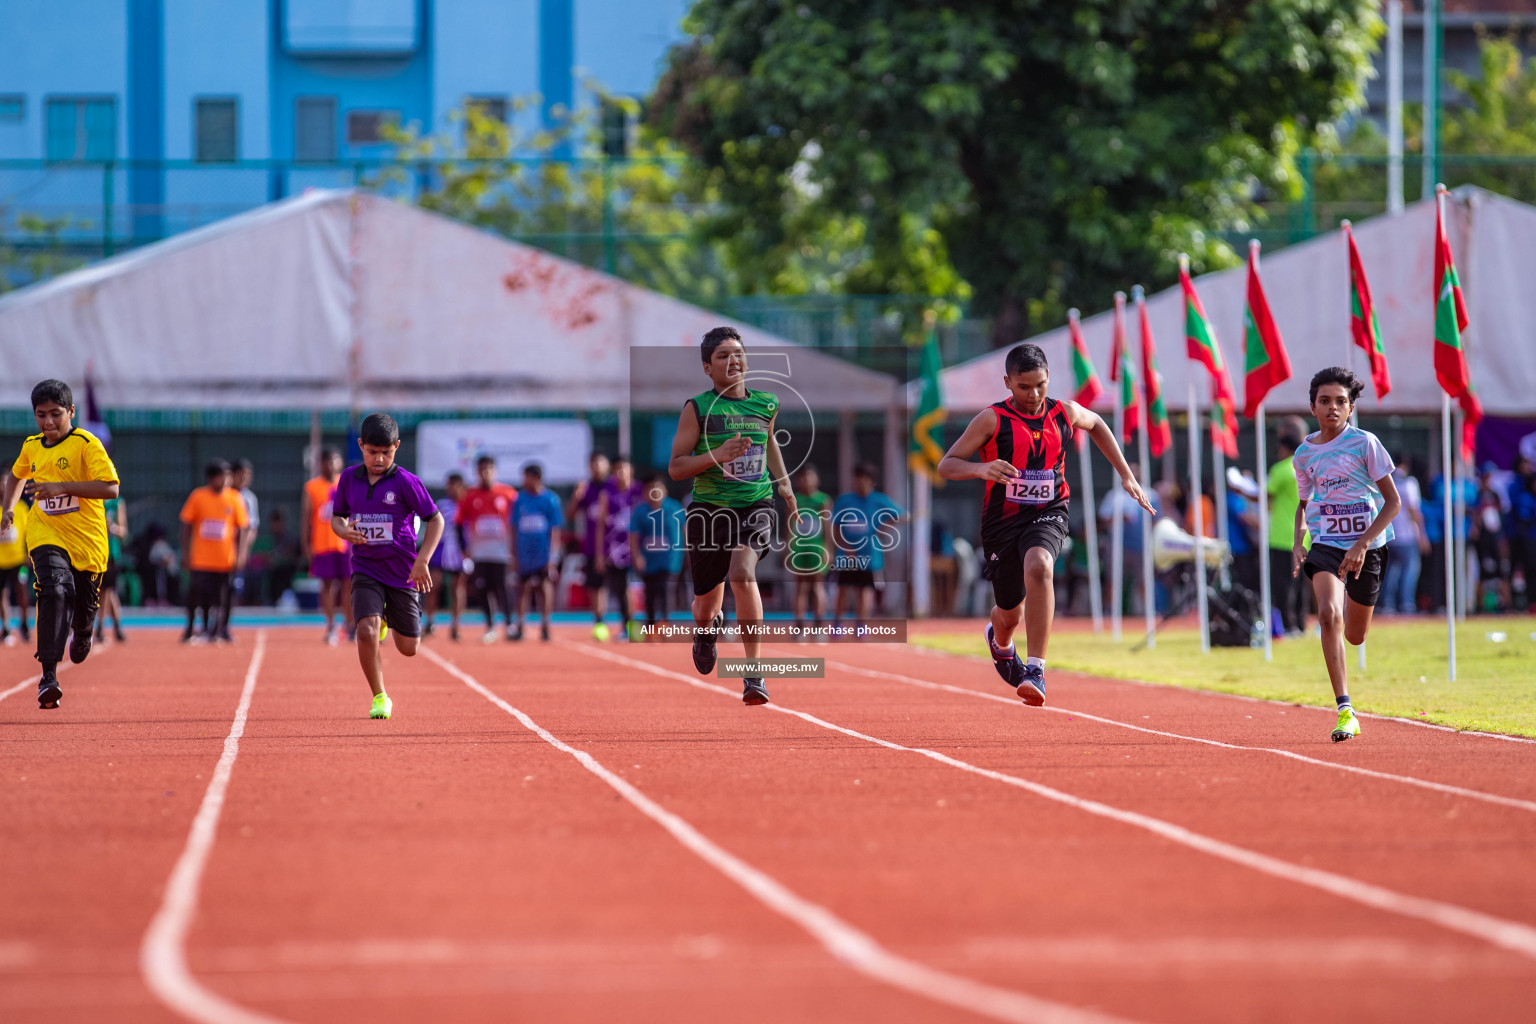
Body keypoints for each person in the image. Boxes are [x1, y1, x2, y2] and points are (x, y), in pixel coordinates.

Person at [936, 343, 1154, 706]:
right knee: (1010, 613)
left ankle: (1036, 669)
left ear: (1049, 377)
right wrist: (980, 468)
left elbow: (1097, 423)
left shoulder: (1063, 412)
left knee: (1040, 566)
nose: (1034, 394)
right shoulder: (992, 420)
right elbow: (948, 464)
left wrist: (1126, 476)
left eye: (1040, 384)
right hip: (1002, 523)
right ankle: (1000, 638)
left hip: (1049, 510)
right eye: (1024, 387)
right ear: (1008, 382)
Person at [669, 325, 796, 705]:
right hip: (709, 511)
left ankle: (754, 673)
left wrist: (784, 482)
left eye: (738, 353)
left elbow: (768, 439)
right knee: (705, 605)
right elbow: (676, 467)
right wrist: (717, 456)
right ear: (708, 367)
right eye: (723, 356)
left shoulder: (766, 403)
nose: (733, 361)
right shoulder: (699, 408)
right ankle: (706, 631)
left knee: (743, 572)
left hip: (756, 503)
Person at [1290, 367, 1401, 743]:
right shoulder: (1304, 454)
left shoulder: (1365, 443)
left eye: (1340, 402)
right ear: (1312, 406)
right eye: (1325, 401)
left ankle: (1347, 699)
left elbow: (1393, 502)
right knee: (1327, 614)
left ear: (1350, 408)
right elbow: (1303, 504)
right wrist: (1297, 543)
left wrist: (1362, 544)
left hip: (1367, 546)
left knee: (1354, 635)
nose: (1332, 408)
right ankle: (1345, 709)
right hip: (1325, 545)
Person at [0, 380, 121, 709]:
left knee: (82, 608)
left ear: (71, 412)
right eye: (41, 415)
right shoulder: (31, 445)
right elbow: (17, 473)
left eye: (56, 414)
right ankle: (48, 675)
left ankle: (83, 630)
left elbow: (111, 489)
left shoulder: (86, 444)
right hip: (45, 532)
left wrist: (61, 487)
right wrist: (9, 508)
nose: (48, 422)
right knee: (53, 590)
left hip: (87, 541)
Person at [328, 413, 443, 720]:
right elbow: (337, 516)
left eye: (386, 452)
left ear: (397, 447)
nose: (379, 459)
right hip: (366, 567)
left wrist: (423, 560)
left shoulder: (407, 482)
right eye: (372, 452)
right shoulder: (349, 479)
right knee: (365, 631)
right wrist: (342, 531)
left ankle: (388, 620)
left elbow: (436, 520)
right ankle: (380, 696)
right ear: (361, 446)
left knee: (409, 648)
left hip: (403, 572)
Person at [179, 460, 250, 644]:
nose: (226, 480)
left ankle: (223, 629)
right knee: (197, 594)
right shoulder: (198, 496)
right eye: (222, 476)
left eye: (228, 476)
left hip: (224, 558)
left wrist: (241, 554)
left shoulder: (234, 498)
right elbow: (186, 525)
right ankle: (193, 628)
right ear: (211, 478)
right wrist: (185, 552)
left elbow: (242, 528)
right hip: (201, 559)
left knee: (224, 595)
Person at [831, 464, 904, 625]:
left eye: (863, 479)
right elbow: (835, 526)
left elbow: (903, 515)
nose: (859, 483)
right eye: (856, 479)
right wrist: (844, 547)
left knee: (864, 590)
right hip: (847, 554)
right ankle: (838, 623)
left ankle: (861, 624)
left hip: (870, 554)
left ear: (871, 481)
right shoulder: (845, 500)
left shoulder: (879, 500)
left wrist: (883, 528)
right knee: (843, 588)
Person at [457, 454, 517, 643]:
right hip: (479, 552)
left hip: (502, 552)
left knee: (502, 587)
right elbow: (459, 522)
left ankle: (509, 625)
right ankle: (490, 627)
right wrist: (464, 548)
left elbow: (516, 522)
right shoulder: (470, 495)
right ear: (477, 472)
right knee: (483, 589)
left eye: (489, 469)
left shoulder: (508, 494)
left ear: (495, 471)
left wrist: (514, 550)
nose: (486, 473)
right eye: (482, 470)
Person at [303, 449, 352, 645]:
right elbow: (306, 520)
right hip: (322, 545)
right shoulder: (312, 487)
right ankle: (331, 625)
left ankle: (350, 625)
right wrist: (306, 546)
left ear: (340, 462)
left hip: (345, 544)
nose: (330, 465)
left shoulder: (346, 483)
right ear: (320, 463)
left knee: (349, 586)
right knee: (327, 587)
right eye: (327, 461)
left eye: (334, 460)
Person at [512, 462, 563, 642]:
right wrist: (513, 554)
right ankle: (519, 625)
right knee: (522, 589)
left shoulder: (550, 500)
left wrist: (553, 557)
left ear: (537, 478)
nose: (525, 481)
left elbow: (555, 530)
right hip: (524, 553)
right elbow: (513, 528)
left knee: (544, 587)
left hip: (543, 553)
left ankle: (546, 625)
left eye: (528, 477)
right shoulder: (519, 500)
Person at [1268, 417, 1309, 636]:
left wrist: (1240, 487)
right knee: (1300, 584)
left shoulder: (1281, 469)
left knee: (1283, 585)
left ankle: (1288, 625)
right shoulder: (1305, 468)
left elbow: (1264, 496)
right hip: (1305, 536)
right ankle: (1300, 625)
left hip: (1282, 536)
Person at [631, 472, 685, 635]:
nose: (654, 490)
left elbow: (685, 530)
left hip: (671, 559)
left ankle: (664, 623)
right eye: (650, 488)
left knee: (666, 589)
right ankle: (651, 624)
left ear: (664, 490)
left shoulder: (674, 508)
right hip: (648, 560)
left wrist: (690, 552)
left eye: (657, 487)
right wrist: (637, 557)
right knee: (650, 593)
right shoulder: (640, 511)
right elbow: (633, 536)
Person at [596, 456, 643, 642]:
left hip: (640, 546)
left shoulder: (640, 491)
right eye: (616, 469)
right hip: (616, 549)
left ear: (631, 470)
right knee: (621, 587)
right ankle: (627, 625)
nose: (620, 473)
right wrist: (600, 553)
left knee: (645, 586)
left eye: (623, 468)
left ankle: (652, 624)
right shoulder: (607, 493)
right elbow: (601, 524)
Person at [567, 452, 613, 640]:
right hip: (593, 546)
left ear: (607, 465)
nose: (596, 468)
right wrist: (576, 497)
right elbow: (569, 516)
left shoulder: (614, 487)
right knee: (596, 586)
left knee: (622, 584)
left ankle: (629, 623)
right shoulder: (585, 490)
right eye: (593, 464)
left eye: (600, 464)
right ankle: (599, 621)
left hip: (617, 547)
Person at [788, 464, 832, 638]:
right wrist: (788, 547)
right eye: (802, 477)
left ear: (817, 479)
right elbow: (789, 525)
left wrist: (828, 549)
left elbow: (827, 528)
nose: (806, 480)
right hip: (799, 549)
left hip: (817, 548)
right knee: (800, 587)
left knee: (817, 586)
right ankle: (799, 626)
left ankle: (819, 625)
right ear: (798, 480)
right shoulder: (794, 499)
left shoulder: (822, 500)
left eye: (809, 476)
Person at [1382, 454, 1429, 614]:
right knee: (1409, 572)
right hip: (1407, 535)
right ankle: (1406, 603)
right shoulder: (1409, 483)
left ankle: (1387, 604)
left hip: (1389, 536)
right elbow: (1414, 510)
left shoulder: (1385, 482)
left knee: (1390, 573)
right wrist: (1422, 535)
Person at [424, 472, 468, 640]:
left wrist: (467, 549)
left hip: (459, 552)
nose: (451, 489)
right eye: (449, 485)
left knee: (457, 588)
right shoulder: (441, 504)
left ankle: (456, 625)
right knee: (433, 586)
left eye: (454, 485)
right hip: (440, 550)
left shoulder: (467, 503)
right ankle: (430, 621)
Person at [218, 458, 259, 641]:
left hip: (236, 552)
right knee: (214, 589)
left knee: (231, 589)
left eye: (248, 475)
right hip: (218, 550)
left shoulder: (249, 499)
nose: (244, 478)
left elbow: (252, 527)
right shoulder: (222, 494)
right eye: (241, 475)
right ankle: (211, 625)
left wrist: (243, 549)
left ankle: (224, 626)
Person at [94, 494, 128, 644]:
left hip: (110, 554)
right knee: (108, 592)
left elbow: (123, 532)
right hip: (94, 552)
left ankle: (100, 627)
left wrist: (111, 527)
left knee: (105, 590)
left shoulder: (116, 503)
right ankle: (117, 627)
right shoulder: (93, 499)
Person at [0, 495, 31, 646]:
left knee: (22, 591)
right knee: (2, 595)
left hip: (19, 560)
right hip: (0, 561)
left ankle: (24, 625)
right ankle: (5, 628)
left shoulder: (21, 507)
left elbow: (28, 531)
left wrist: (28, 553)